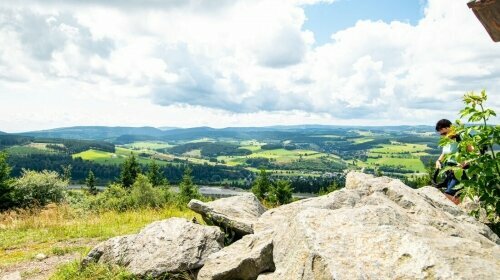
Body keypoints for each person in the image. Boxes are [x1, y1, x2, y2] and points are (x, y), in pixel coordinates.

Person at [435, 119, 473, 204]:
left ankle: (452, 215)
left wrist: (462, 165)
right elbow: (444, 153)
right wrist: (438, 161)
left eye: (444, 133)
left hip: (461, 170)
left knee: (449, 195)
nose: (444, 136)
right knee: (455, 196)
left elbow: (473, 153)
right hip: (449, 171)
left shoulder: (462, 135)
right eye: (441, 134)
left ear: (451, 127)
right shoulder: (446, 140)